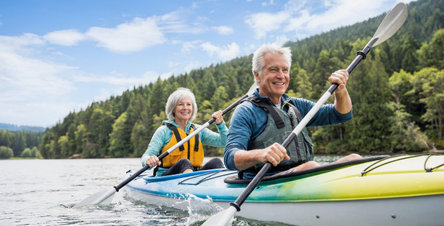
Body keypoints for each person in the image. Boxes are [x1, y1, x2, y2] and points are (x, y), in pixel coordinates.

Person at [224, 44, 361, 179]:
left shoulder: (296, 105)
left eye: (285, 70)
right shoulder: (246, 111)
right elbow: (230, 157)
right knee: (311, 167)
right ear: (257, 75)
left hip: (304, 174)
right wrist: (261, 154)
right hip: (266, 181)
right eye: (273, 70)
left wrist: (341, 90)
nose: (281, 75)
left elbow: (341, 114)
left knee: (355, 159)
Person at [141, 87, 228, 176]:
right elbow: (146, 156)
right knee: (184, 163)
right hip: (167, 177)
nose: (185, 108)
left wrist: (220, 124)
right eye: (180, 104)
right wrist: (149, 160)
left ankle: (223, 187)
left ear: (193, 108)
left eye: (188, 104)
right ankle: (191, 185)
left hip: (194, 176)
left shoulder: (199, 130)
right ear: (173, 108)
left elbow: (224, 142)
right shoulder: (163, 131)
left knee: (216, 162)